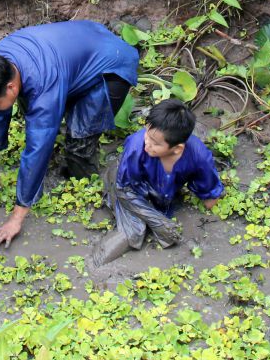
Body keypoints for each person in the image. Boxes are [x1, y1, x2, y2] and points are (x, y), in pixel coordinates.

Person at [0, 21, 138, 247]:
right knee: (25, 108)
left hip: (111, 64)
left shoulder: (42, 83)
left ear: (11, 88)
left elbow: (38, 147)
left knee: (79, 140)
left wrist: (17, 217)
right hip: (79, 45)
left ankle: (82, 181)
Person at [92, 99, 224, 266]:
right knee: (134, 231)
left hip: (161, 192)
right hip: (126, 184)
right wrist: (157, 221)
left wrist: (211, 223)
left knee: (164, 222)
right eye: (147, 133)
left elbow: (210, 193)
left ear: (177, 148)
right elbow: (124, 189)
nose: (147, 143)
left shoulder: (198, 156)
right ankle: (94, 264)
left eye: (155, 143)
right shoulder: (136, 146)